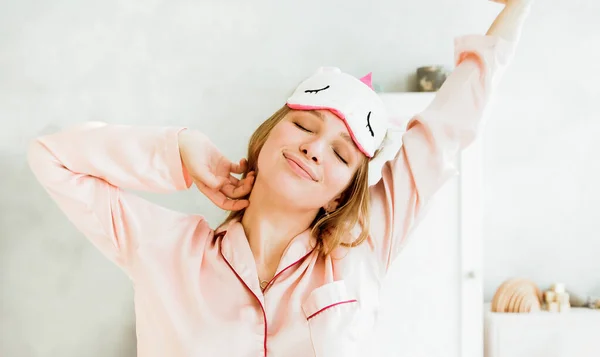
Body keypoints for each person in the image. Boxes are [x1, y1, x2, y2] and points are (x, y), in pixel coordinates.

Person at [27, 0, 533, 356]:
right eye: (303, 126)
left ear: (345, 190)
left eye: (340, 153)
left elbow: (446, 129)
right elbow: (53, 157)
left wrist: (515, 8)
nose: (314, 148)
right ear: (266, 137)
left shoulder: (362, 248)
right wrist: (178, 149)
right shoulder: (165, 248)